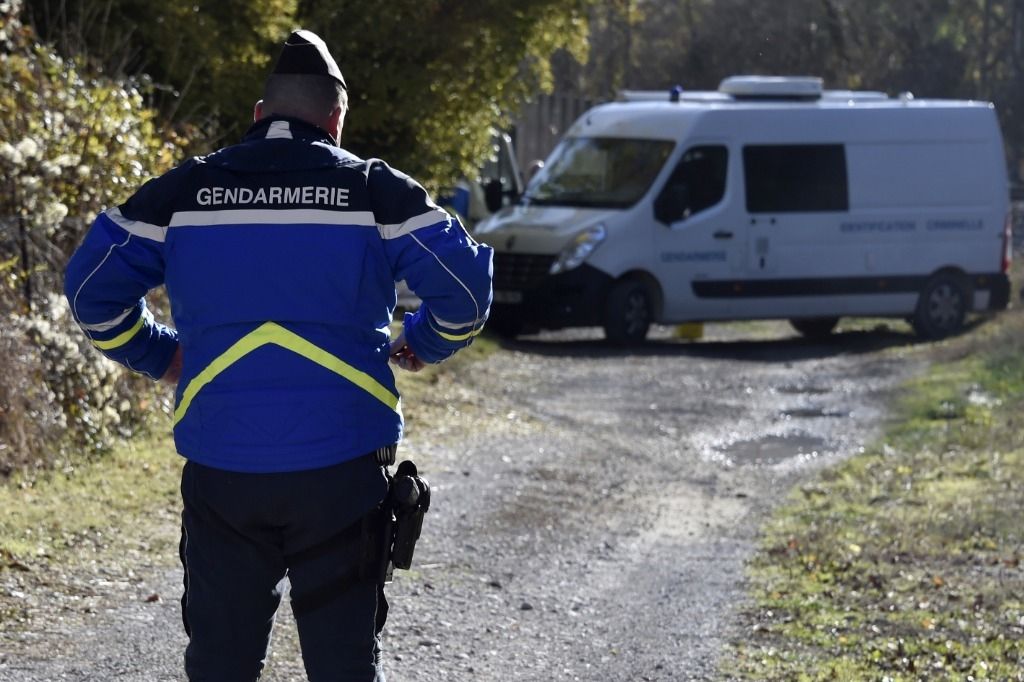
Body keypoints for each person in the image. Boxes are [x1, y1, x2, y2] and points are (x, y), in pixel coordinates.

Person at [63, 29, 492, 681]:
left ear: (259, 117)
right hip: (343, 472)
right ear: (337, 120)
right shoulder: (376, 192)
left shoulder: (185, 192)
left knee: (221, 664)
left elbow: (93, 290)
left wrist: (161, 355)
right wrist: (422, 343)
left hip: (223, 469)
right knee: (344, 665)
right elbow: (464, 290)